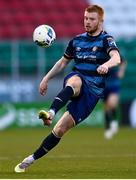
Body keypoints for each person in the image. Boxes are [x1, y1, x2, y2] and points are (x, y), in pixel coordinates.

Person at [14, 4, 121, 173]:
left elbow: (116, 57)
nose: (87, 22)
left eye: (91, 19)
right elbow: (62, 62)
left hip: (92, 94)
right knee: (75, 81)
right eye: (85, 18)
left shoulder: (106, 40)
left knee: (59, 129)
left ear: (100, 21)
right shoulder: (76, 40)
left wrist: (106, 65)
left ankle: (30, 160)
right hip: (78, 79)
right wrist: (46, 78)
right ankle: (50, 113)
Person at [103, 58, 126, 139]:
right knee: (106, 107)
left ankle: (114, 122)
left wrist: (121, 71)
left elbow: (123, 62)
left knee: (112, 103)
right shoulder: (98, 52)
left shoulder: (112, 51)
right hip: (103, 82)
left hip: (113, 82)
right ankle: (108, 127)